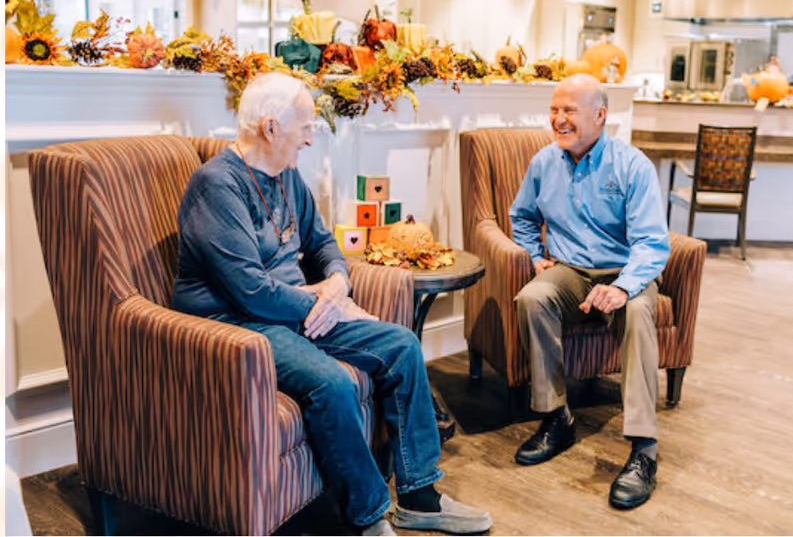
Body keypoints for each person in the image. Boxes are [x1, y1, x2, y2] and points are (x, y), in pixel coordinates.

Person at [172, 73, 491, 537]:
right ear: (270, 128)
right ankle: (367, 515)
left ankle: (420, 496)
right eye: (305, 125)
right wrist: (313, 303)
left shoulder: (285, 177)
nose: (311, 135)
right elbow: (249, 290)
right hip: (240, 324)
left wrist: (338, 285)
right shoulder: (216, 186)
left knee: (401, 345)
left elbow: (324, 244)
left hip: (298, 310)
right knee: (330, 383)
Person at [508, 74, 671, 510]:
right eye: (554, 110)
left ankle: (643, 450)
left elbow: (653, 244)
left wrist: (621, 287)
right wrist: (533, 254)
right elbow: (520, 216)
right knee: (533, 297)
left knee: (637, 313)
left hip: (625, 272)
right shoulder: (544, 162)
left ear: (600, 115)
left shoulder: (632, 165)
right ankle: (556, 418)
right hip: (569, 272)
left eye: (570, 111)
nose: (559, 120)